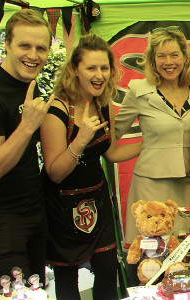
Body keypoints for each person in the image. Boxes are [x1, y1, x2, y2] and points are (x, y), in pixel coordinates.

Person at [40, 34, 140, 299]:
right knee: (67, 275)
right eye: (91, 68)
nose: (99, 75)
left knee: (107, 269)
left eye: (104, 68)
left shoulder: (103, 104)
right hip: (62, 204)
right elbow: (55, 172)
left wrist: (150, 145)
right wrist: (81, 139)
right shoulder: (57, 110)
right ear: (75, 70)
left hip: (97, 199)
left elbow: (111, 152)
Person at [115, 26, 190, 247]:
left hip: (184, 184)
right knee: (151, 255)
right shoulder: (138, 89)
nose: (168, 62)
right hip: (149, 185)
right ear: (152, 60)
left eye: (175, 55)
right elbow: (113, 133)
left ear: (185, 58)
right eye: (161, 56)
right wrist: (149, 146)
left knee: (184, 251)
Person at [0, 9, 52, 289]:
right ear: (7, 45)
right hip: (2, 222)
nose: (33, 55)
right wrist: (25, 127)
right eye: (25, 45)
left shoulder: (30, 87)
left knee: (37, 294)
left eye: (41, 48)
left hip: (33, 213)